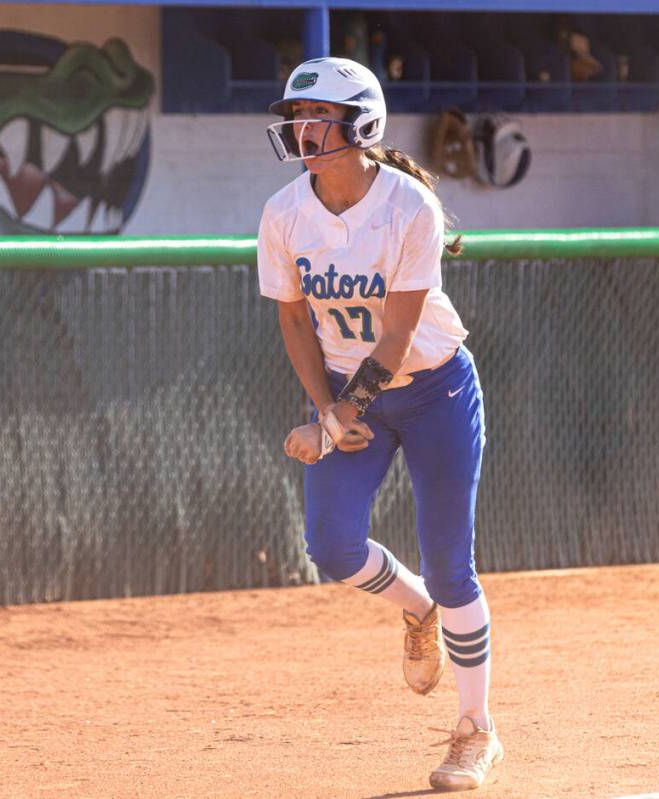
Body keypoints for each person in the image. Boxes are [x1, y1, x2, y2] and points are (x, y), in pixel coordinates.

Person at [256, 56, 502, 792]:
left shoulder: (406, 207)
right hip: (345, 391)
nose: (302, 131)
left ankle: (475, 730)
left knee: (451, 561)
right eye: (296, 119)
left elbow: (394, 340)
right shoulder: (283, 213)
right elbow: (295, 318)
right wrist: (328, 406)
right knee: (330, 544)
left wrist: (335, 422)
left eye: (318, 118)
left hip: (432, 391)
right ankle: (417, 606)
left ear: (360, 124)